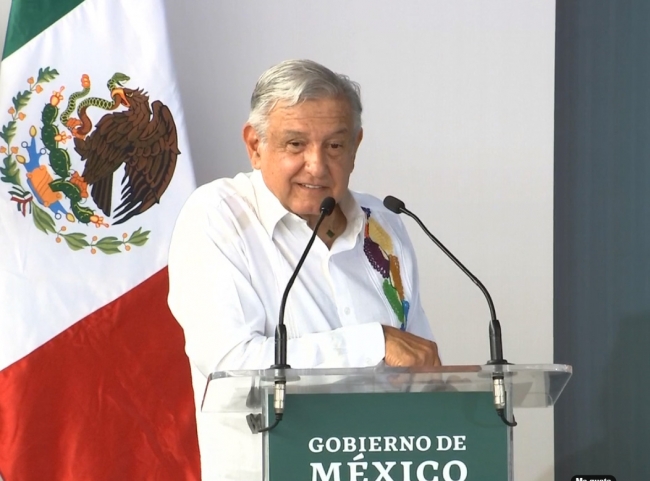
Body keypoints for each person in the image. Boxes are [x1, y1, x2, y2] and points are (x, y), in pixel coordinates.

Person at [167, 59, 441, 480]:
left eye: (335, 146)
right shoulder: (218, 216)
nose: (316, 165)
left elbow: (420, 365)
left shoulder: (385, 224)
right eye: (295, 144)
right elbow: (232, 371)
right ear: (255, 145)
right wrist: (374, 343)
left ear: (356, 146)